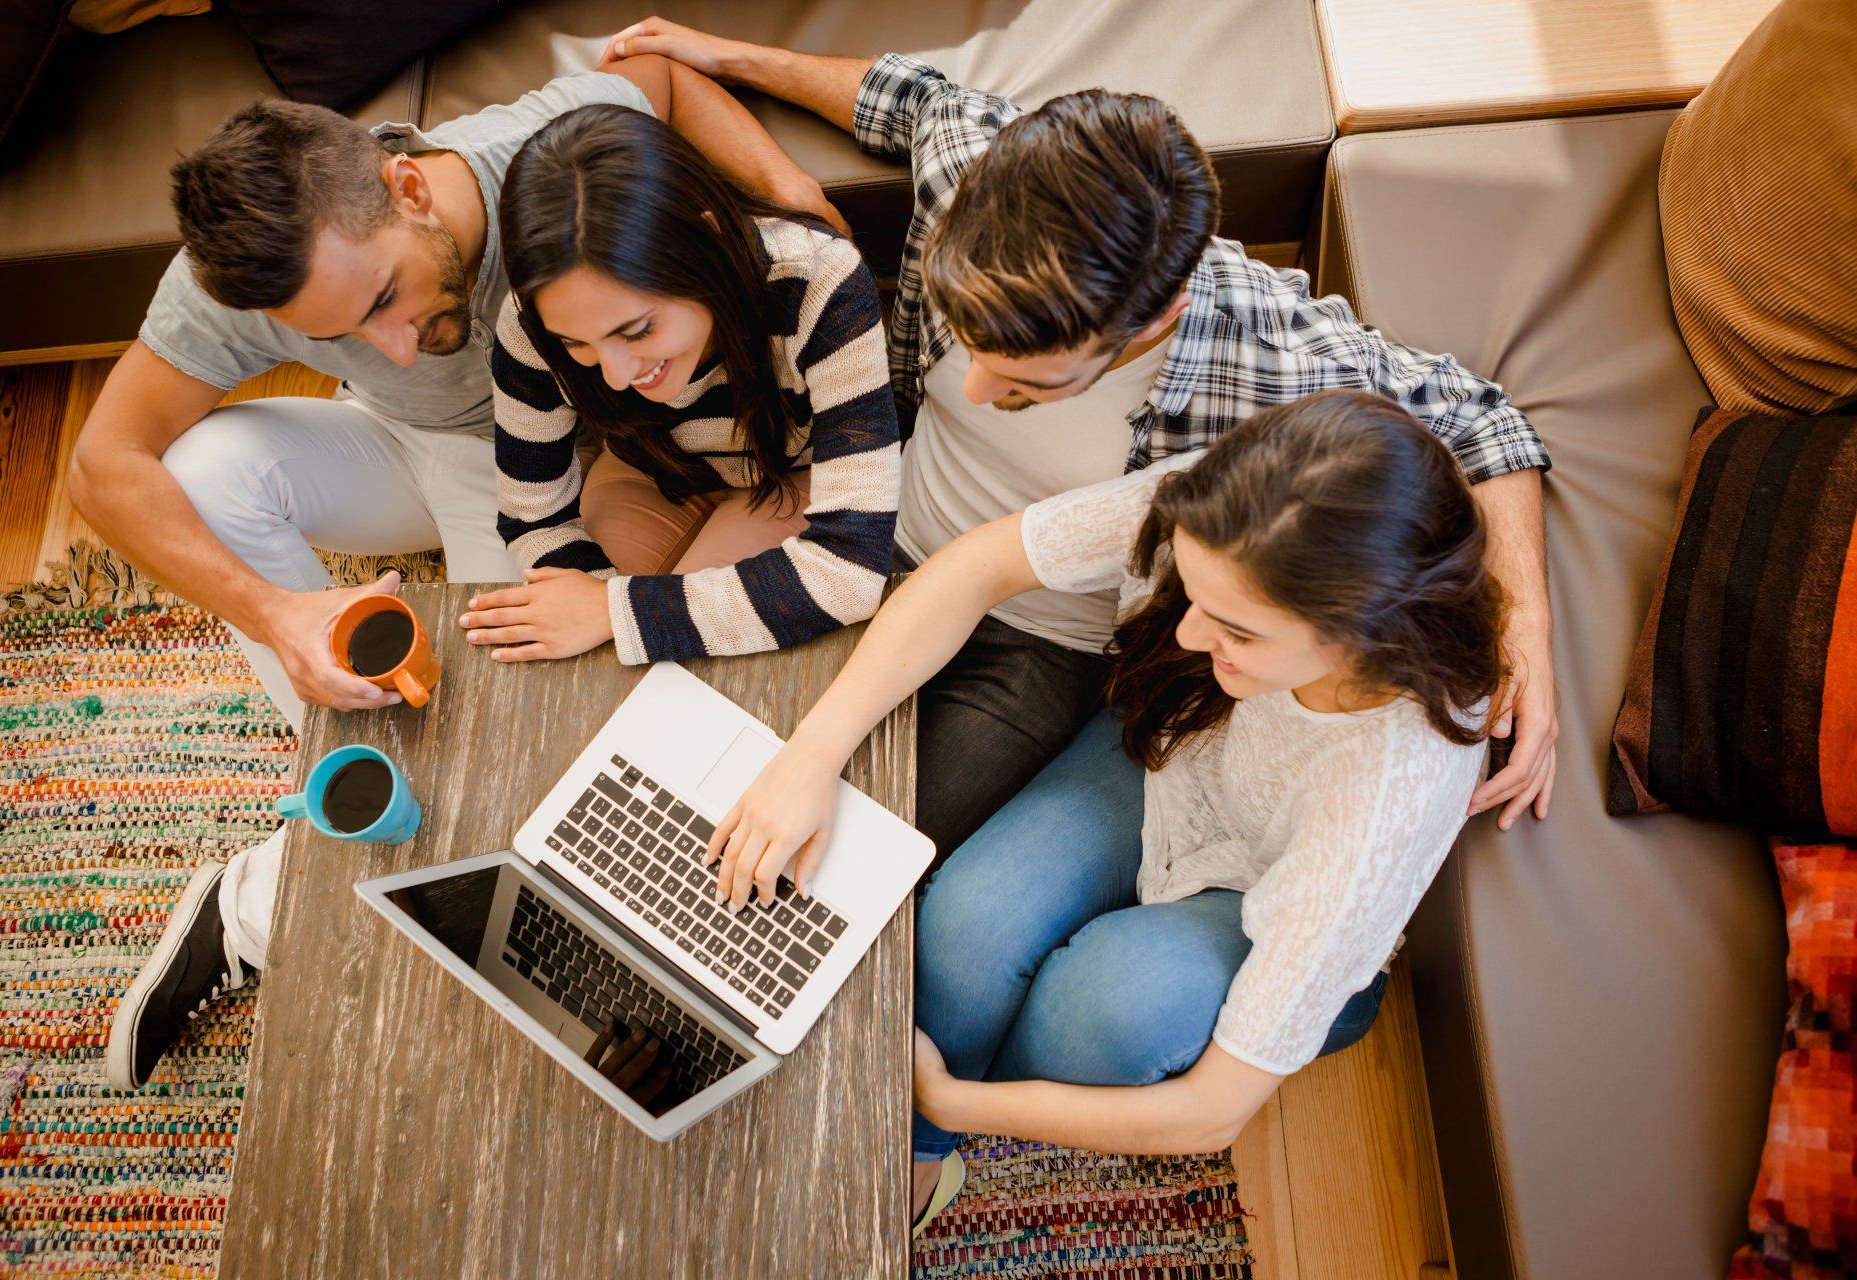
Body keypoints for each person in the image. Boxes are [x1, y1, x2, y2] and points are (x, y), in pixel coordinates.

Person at [595, 21, 1558, 858]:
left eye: (1021, 384)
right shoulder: (979, 165)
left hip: (1042, 644)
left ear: (1155, 315)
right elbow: (908, 98)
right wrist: (717, 54)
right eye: (970, 347)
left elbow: (1480, 417)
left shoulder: (1270, 345)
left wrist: (1526, 630)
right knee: (683, 771)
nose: (971, 388)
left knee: (854, 843)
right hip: (871, 521)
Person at [79, 59, 842, 1092]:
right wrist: (280, 612)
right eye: (336, 334)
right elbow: (102, 465)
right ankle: (347, 778)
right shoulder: (249, 268)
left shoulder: (544, 152)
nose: (390, 346)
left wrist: (786, 184)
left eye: (388, 295)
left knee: (504, 739)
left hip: (559, 464)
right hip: (411, 450)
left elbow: (657, 73)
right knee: (204, 470)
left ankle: (259, 898)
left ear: (406, 186)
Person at [706, 390, 1505, 1229]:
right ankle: (912, 1142)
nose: (1190, 635)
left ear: (1366, 634)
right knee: (965, 928)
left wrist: (949, 1100)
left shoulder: (1384, 797)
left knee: (1100, 1014)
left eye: (1235, 629)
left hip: (1265, 896)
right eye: (1191, 595)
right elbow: (977, 565)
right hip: (1175, 755)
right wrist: (811, 756)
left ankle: (933, 1130)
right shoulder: (1243, 506)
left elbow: (1212, 1113)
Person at [457, 105, 898, 663]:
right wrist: (598, 610)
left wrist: (611, 610)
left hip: (795, 476)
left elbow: (848, 570)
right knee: (580, 645)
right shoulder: (531, 322)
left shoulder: (819, 282)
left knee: (675, 650)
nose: (616, 376)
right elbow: (533, 514)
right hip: (650, 472)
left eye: (638, 329)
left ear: (706, 243)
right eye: (577, 344)